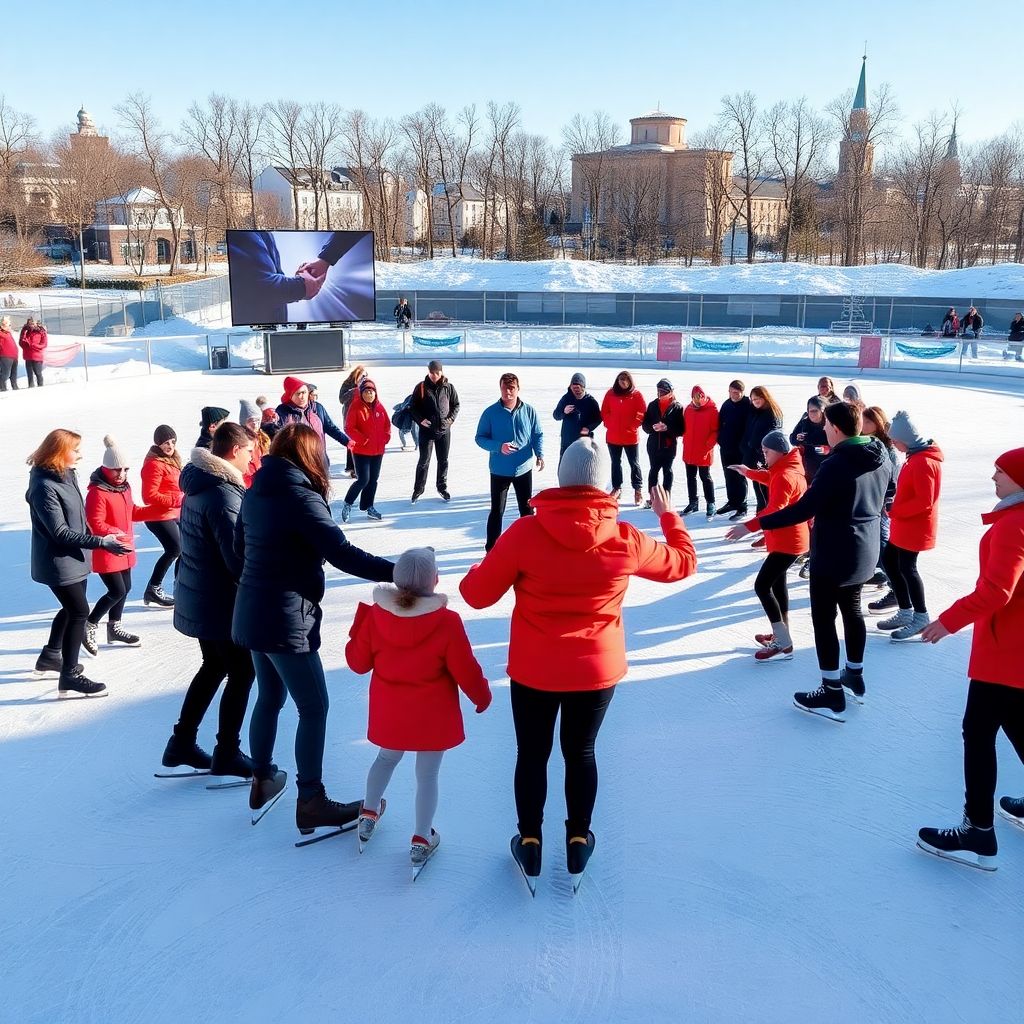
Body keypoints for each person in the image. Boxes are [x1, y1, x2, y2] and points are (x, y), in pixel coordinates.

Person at [459, 439, 697, 888]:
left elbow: (476, 595)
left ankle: (530, 840)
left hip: (534, 668)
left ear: (561, 478)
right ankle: (578, 839)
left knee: (532, 754)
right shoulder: (625, 538)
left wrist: (480, 566)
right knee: (581, 752)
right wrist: (669, 516)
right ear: (603, 484)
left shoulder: (525, 533)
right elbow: (683, 563)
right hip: (595, 671)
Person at [232, 423, 395, 838]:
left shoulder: (255, 490)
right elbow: (341, 552)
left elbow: (238, 551)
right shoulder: (300, 496)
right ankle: (311, 801)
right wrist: (398, 572)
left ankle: (262, 778)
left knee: (270, 696)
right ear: (310, 456)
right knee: (314, 706)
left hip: (251, 611)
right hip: (284, 617)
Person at [346, 547, 492, 869]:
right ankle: (422, 838)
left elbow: (357, 663)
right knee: (427, 776)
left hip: (391, 714)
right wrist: (481, 696)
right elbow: (466, 669)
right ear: (435, 581)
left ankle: (369, 812)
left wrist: (359, 627)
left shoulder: (377, 616)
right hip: (432, 717)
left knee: (385, 759)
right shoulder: (447, 622)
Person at [916, 447, 1024, 871]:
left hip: (1005, 651)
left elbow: (998, 590)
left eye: (1001, 471)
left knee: (978, 731)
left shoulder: (1014, 524)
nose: (993, 477)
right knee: (1015, 722)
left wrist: (949, 621)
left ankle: (977, 830)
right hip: (1013, 648)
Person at [758, 401, 893, 721]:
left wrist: (759, 523)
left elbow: (805, 509)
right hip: (865, 550)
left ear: (835, 428)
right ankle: (854, 676)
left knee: (824, 619)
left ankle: (832, 690)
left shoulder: (837, 463)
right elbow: (889, 492)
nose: (823, 431)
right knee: (852, 610)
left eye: (826, 426)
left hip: (834, 553)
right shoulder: (880, 454)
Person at [162, 422, 258, 778]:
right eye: (250, 452)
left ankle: (181, 742)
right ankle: (227, 751)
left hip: (200, 594)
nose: (252, 459)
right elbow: (236, 558)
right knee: (242, 670)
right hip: (218, 601)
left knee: (215, 665)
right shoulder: (222, 494)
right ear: (235, 451)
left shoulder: (201, 483)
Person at [26, 429, 131, 697]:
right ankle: (70, 675)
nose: (80, 454)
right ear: (59, 452)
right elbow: (59, 532)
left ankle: (51, 656)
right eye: (75, 449)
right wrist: (101, 542)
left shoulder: (67, 474)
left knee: (71, 608)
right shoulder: (43, 487)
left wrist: (99, 538)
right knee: (79, 612)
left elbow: (80, 517)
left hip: (77, 557)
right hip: (58, 562)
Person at [725, 431, 809, 662]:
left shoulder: (785, 475)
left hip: (787, 541)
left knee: (762, 586)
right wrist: (748, 472)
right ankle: (782, 634)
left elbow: (774, 509)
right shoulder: (787, 467)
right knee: (777, 585)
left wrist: (748, 527)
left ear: (780, 452)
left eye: (767, 451)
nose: (764, 455)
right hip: (788, 539)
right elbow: (771, 477)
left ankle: (783, 642)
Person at [83, 436, 159, 656]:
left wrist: (156, 511)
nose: (121, 474)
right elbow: (95, 522)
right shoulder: (97, 492)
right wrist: (115, 532)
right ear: (106, 468)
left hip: (125, 548)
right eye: (117, 470)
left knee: (126, 588)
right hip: (107, 549)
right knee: (116, 590)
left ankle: (114, 627)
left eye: (125, 469)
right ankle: (90, 624)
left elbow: (132, 512)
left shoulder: (124, 488)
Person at [875, 411, 943, 641]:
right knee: (890, 561)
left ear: (906, 439)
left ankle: (921, 615)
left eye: (895, 440)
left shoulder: (924, 462)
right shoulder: (914, 457)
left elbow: (925, 501)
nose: (893, 444)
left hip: (914, 527)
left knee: (907, 568)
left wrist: (896, 510)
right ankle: (905, 610)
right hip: (904, 525)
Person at [475, 373, 544, 552]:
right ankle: (491, 550)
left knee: (526, 510)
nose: (508, 392)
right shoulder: (490, 413)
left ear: (518, 389)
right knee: (497, 511)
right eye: (504, 388)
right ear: (500, 389)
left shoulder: (529, 411)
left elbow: (537, 434)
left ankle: (530, 547)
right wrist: (499, 446)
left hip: (523, 468)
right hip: (499, 469)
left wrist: (539, 454)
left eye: (511, 388)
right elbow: (480, 438)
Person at [225, 231, 325, 324]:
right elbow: (261, 287)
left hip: (268, 329)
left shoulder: (259, 232)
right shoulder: (243, 233)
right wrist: (303, 285)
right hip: (254, 330)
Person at [140, 425, 183, 607]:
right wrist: (175, 500)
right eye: (166, 443)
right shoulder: (154, 464)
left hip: (173, 514)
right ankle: (154, 588)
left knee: (183, 549)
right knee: (175, 549)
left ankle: (180, 587)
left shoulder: (172, 460)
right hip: (158, 517)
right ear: (158, 444)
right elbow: (149, 496)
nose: (170, 445)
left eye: (173, 441)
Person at [861, 406, 900, 595]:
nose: (864, 425)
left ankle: (896, 588)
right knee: (869, 541)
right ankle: (878, 573)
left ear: (878, 424)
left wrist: (887, 500)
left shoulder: (888, 449)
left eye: (868, 422)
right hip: (868, 500)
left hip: (881, 503)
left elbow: (894, 479)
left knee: (882, 543)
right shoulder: (863, 442)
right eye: (862, 421)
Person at [410, 358, 460, 503]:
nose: (434, 375)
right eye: (432, 373)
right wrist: (421, 420)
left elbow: (456, 405)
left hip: (444, 431)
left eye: (436, 373)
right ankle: (418, 489)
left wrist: (450, 420)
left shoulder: (449, 387)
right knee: (424, 461)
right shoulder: (421, 387)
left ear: (441, 372)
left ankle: (442, 487)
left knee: (443, 460)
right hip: (427, 431)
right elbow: (412, 407)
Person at [342, 378, 391, 522]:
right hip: (361, 451)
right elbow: (349, 428)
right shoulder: (356, 407)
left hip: (377, 451)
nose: (369, 394)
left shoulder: (380, 407)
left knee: (373, 480)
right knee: (363, 479)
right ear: (361, 393)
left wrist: (385, 438)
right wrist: (363, 440)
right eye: (366, 392)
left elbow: (387, 425)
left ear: (375, 393)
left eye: (371, 392)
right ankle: (348, 503)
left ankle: (368, 506)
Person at [276, 377, 349, 468]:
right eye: (298, 393)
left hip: (319, 458)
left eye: (304, 392)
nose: (302, 396)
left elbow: (330, 428)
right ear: (290, 396)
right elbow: (277, 437)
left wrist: (347, 442)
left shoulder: (317, 408)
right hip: (297, 462)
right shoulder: (283, 412)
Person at [600, 370, 646, 506]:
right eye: (621, 379)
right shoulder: (610, 393)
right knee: (615, 462)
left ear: (630, 381)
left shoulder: (636, 395)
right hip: (613, 436)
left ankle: (637, 489)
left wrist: (634, 425)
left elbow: (642, 412)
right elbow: (604, 411)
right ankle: (617, 488)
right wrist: (609, 423)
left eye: (626, 380)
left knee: (634, 463)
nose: (623, 382)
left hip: (630, 436)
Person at [741, 386, 785, 514]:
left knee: (766, 488)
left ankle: (768, 514)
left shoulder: (772, 413)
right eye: (753, 399)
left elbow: (773, 436)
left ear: (765, 397)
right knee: (757, 485)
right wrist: (745, 445)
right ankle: (760, 512)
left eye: (757, 398)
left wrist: (761, 450)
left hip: (766, 456)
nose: (755, 401)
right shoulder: (755, 411)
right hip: (754, 454)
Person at [641, 378, 683, 506]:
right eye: (659, 391)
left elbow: (681, 429)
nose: (660, 394)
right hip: (653, 444)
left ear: (670, 392)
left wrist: (667, 428)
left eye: (664, 392)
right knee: (653, 470)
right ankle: (652, 498)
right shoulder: (653, 405)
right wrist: (652, 428)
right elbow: (645, 425)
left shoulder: (677, 407)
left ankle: (666, 497)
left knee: (667, 470)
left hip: (669, 445)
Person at [716, 380, 752, 520]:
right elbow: (720, 423)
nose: (733, 395)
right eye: (731, 392)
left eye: (736, 392)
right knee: (729, 475)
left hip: (741, 449)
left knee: (740, 476)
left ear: (742, 392)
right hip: (726, 447)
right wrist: (720, 439)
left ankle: (742, 506)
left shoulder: (748, 405)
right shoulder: (726, 404)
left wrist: (745, 445)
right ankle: (732, 502)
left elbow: (750, 426)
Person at [681, 385, 718, 519]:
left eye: (700, 397)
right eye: (695, 398)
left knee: (705, 477)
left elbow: (715, 431)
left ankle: (711, 503)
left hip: (703, 450)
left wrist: (708, 445)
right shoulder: (688, 409)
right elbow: (684, 427)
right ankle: (693, 502)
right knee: (690, 477)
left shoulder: (712, 410)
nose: (698, 400)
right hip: (689, 449)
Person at [554, 372, 603, 460]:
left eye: (578, 388)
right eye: (574, 388)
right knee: (565, 465)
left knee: (584, 465)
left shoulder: (591, 401)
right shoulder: (566, 398)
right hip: (567, 440)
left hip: (584, 441)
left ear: (583, 387)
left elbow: (598, 419)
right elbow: (556, 415)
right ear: (570, 387)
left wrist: (588, 428)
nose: (576, 390)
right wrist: (564, 411)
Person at [789, 397, 830, 485]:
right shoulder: (804, 421)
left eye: (815, 411)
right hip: (806, 466)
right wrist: (797, 438)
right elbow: (792, 439)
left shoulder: (829, 423)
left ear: (822, 411)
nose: (812, 414)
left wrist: (810, 440)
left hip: (825, 466)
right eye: (810, 411)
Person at [338, 365, 368, 477]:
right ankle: (352, 467)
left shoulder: (366, 385)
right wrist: (354, 391)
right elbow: (341, 399)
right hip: (349, 416)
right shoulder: (348, 384)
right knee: (352, 440)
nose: (364, 378)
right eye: (363, 375)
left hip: (362, 416)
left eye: (366, 376)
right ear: (357, 374)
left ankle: (357, 467)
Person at [238, 399, 268, 488]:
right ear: (244, 422)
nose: (255, 424)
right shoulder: (239, 441)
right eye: (251, 420)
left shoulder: (264, 439)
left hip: (262, 482)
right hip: (248, 485)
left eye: (257, 420)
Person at [19, 317, 47, 387]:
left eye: (32, 323)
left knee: (38, 373)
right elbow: (21, 343)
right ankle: (31, 387)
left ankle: (40, 386)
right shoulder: (26, 332)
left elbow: (44, 344)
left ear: (36, 323)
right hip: (28, 356)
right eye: (29, 323)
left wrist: (34, 345)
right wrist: (23, 331)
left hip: (37, 356)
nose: (31, 325)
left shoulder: (41, 332)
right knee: (30, 375)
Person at [0, 314, 18, 391]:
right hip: (5, 356)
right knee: (5, 373)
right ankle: (2, 387)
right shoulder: (1, 333)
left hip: (14, 356)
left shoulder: (8, 333)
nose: (9, 327)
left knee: (14, 373)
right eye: (8, 325)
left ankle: (14, 386)